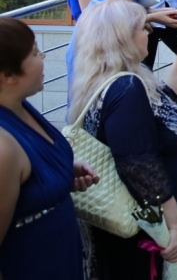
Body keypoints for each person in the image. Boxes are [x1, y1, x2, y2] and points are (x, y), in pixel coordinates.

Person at [68, 0, 177, 280]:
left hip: (143, 228)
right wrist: (175, 227)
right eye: (143, 27)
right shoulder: (125, 87)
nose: (150, 33)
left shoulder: (119, 81)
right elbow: (139, 163)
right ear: (122, 37)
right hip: (148, 232)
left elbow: (159, 116)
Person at [0, 18, 98, 280]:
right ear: (8, 75)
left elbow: (27, 182)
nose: (43, 56)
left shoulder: (21, 107)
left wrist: (60, 172)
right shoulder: (3, 148)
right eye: (34, 52)